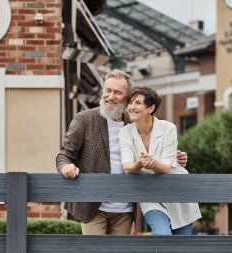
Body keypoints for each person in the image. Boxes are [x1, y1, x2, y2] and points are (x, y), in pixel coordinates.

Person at [56, 69, 188, 235]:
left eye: (117, 92)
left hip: (125, 208)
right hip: (93, 207)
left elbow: (153, 148)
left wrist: (175, 159)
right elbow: (64, 155)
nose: (110, 96)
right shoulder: (84, 119)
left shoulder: (134, 120)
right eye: (107, 90)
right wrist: (65, 166)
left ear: (127, 99)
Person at [119, 87, 201, 235]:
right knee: (163, 235)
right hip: (150, 194)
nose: (131, 107)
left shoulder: (168, 128)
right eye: (130, 102)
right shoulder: (125, 132)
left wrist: (153, 162)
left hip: (177, 191)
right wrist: (139, 164)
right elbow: (127, 166)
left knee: (181, 247)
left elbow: (166, 168)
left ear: (150, 108)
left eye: (137, 103)